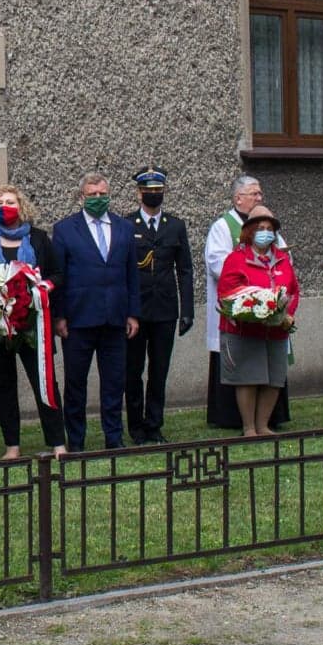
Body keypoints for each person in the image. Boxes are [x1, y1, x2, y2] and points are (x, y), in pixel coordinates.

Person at [0, 185, 66, 459]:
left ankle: (58, 443)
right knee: (4, 386)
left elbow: (57, 273)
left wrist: (45, 287)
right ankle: (12, 446)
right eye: (0, 202)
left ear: (21, 206)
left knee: (45, 383)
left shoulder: (39, 239)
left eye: (10, 201)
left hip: (33, 325)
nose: (5, 206)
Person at [51, 172, 140, 452]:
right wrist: (59, 316)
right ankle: (76, 441)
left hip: (115, 318)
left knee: (114, 383)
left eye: (103, 194)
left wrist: (133, 313)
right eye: (93, 195)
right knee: (75, 384)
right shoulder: (65, 229)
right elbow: (59, 277)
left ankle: (113, 437)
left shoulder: (124, 228)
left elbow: (132, 275)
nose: (98, 199)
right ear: (82, 197)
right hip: (78, 320)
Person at [204, 176, 290, 431]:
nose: (259, 198)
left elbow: (285, 260)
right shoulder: (222, 226)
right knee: (244, 367)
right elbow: (217, 263)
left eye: (260, 193)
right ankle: (238, 420)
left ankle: (267, 420)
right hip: (242, 312)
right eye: (254, 193)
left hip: (271, 315)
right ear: (237, 198)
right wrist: (254, 287)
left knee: (270, 368)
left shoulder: (268, 227)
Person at [124, 167, 193, 446]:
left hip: (165, 309)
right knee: (133, 371)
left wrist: (187, 309)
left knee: (159, 370)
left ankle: (154, 425)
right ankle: (136, 428)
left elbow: (185, 270)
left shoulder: (175, 225)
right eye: (149, 192)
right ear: (139, 193)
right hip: (137, 311)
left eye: (158, 192)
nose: (154, 196)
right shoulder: (127, 225)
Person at [215, 206, 298, 437]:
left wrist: (286, 313)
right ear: (250, 232)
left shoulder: (282, 259)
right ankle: (249, 427)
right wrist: (253, 306)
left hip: (276, 330)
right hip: (245, 330)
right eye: (260, 228)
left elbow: (293, 290)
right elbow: (227, 291)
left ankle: (263, 425)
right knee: (248, 378)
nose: (266, 233)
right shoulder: (236, 259)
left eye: (270, 229)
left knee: (274, 379)